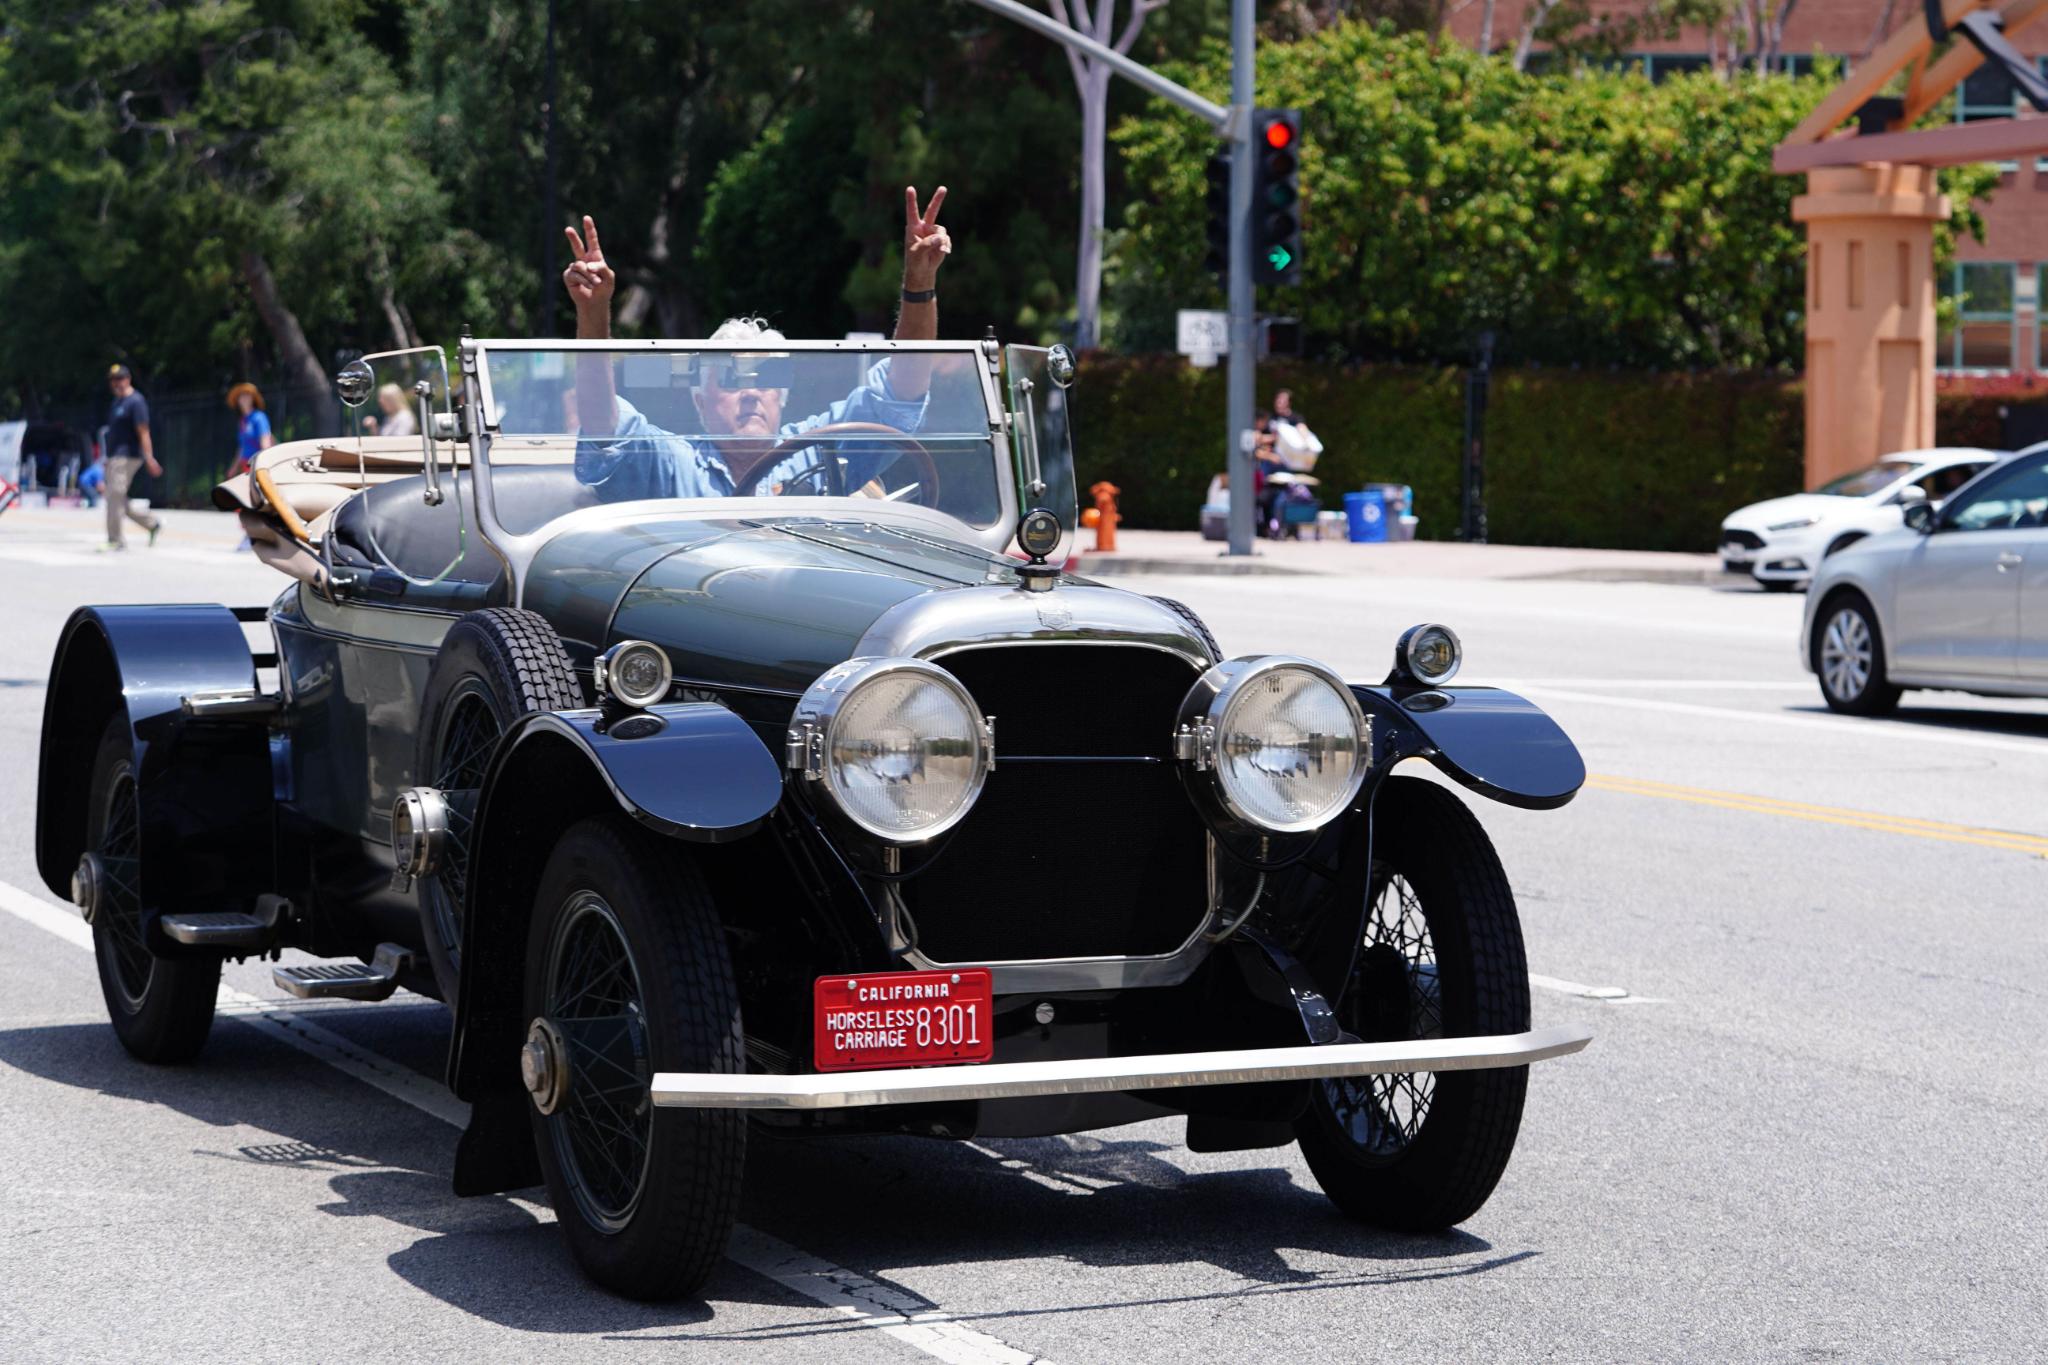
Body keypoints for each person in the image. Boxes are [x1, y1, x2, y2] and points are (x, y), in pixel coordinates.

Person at [559, 188, 952, 502]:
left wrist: (919, 285)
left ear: (782, 397)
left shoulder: (815, 452)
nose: (750, 392)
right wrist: (594, 314)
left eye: (765, 377)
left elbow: (901, 391)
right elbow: (602, 425)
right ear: (700, 401)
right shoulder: (672, 464)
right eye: (731, 379)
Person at [102, 364, 162, 550]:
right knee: (117, 499)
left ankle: (115, 540)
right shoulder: (117, 403)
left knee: (114, 496)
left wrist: (150, 457)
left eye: (120, 379)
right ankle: (151, 523)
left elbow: (143, 431)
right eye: (113, 380)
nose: (116, 383)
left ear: (128, 379)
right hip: (114, 458)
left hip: (127, 457)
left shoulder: (136, 402)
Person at [1269, 388, 1323, 472]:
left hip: (1287, 460)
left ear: (1289, 403)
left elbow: (1302, 429)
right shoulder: (1270, 417)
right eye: (1278, 400)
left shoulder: (1295, 417)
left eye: (1282, 400)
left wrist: (1307, 444)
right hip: (1270, 457)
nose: (1279, 403)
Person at [226, 382, 273, 477]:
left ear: (253, 398)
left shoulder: (259, 417)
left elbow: (265, 442)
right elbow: (242, 447)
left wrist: (264, 466)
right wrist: (234, 468)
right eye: (241, 396)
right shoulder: (242, 421)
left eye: (247, 395)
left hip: (257, 466)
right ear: (237, 400)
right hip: (245, 467)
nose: (244, 398)